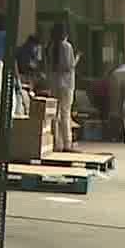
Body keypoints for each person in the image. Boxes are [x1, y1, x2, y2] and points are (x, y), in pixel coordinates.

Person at [44, 23, 77, 153]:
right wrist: (77, 58)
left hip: (54, 83)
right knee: (65, 113)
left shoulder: (50, 47)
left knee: (55, 114)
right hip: (67, 84)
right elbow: (69, 66)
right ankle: (67, 144)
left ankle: (56, 142)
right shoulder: (67, 46)